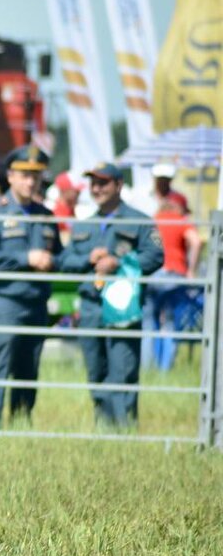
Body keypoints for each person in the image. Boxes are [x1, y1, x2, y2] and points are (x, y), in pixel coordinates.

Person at [58, 162, 163, 429]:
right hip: (91, 306)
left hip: (123, 306)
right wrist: (86, 258)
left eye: (103, 183)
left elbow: (155, 256)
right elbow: (65, 260)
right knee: (96, 369)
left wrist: (119, 261)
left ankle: (125, 429)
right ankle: (103, 426)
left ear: (118, 185)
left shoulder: (140, 221)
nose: (97, 189)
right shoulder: (84, 226)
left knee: (123, 368)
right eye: (93, 183)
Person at [0, 145, 61, 428]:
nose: (30, 181)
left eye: (35, 175)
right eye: (24, 175)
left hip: (36, 302)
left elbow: (59, 254)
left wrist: (57, 259)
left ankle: (22, 422)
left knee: (28, 367)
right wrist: (26, 258)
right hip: (5, 301)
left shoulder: (46, 216)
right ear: (10, 176)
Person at [143, 195, 204, 370]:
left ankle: (147, 368)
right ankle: (165, 369)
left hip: (153, 275)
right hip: (174, 275)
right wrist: (192, 270)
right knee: (170, 322)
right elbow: (196, 241)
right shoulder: (181, 221)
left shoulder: (153, 221)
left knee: (148, 323)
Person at [49, 170, 84, 240]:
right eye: (76, 191)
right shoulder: (57, 215)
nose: (79, 193)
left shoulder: (72, 210)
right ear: (65, 191)